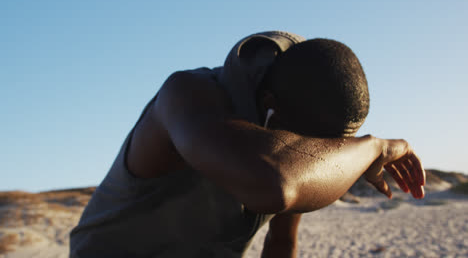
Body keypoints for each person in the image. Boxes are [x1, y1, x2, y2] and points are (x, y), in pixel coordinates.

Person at [70, 31, 425, 258]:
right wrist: (375, 147)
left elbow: (282, 243)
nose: (320, 150)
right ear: (270, 105)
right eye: (317, 142)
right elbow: (278, 184)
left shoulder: (295, 132)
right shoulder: (187, 97)